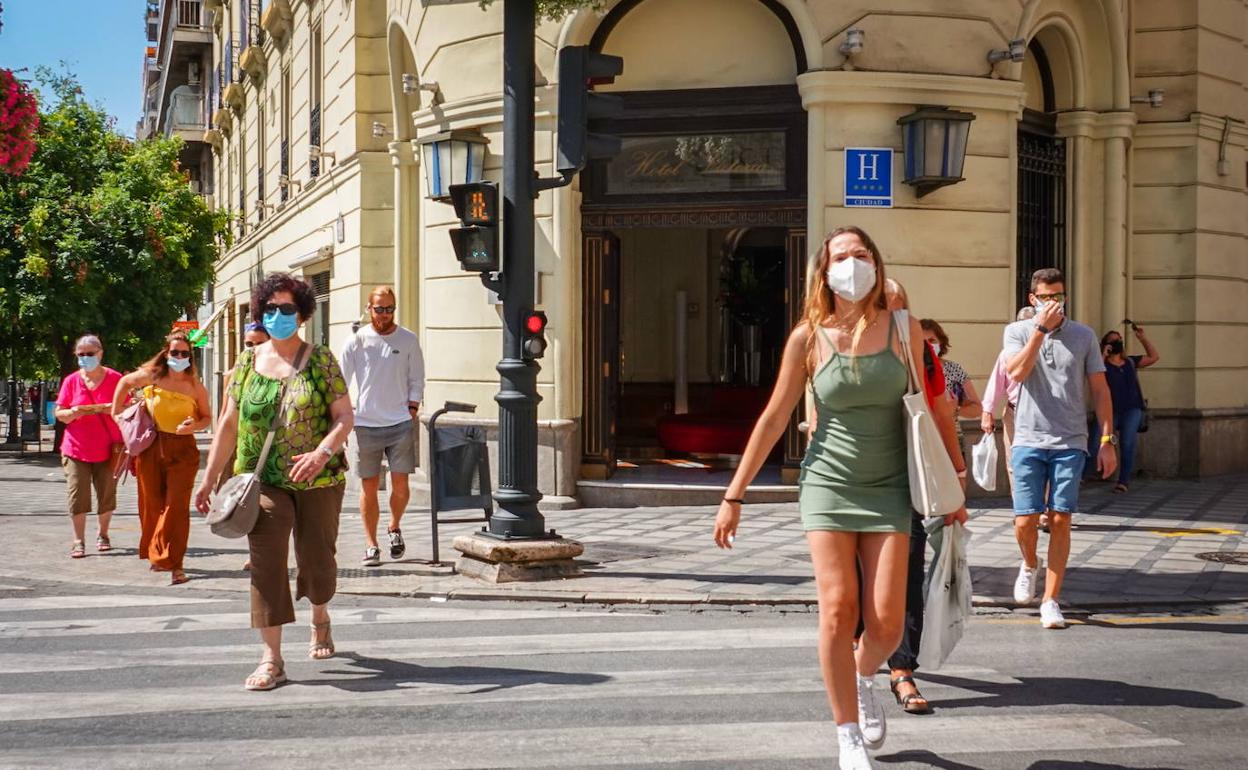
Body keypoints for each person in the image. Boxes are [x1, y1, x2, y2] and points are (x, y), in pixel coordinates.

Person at [714, 227, 968, 770]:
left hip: (891, 487)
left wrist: (954, 484)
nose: (853, 263)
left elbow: (934, 409)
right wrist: (734, 494)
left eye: (862, 254)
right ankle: (847, 732)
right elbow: (776, 415)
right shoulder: (808, 338)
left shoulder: (906, 330)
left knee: (887, 625)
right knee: (837, 609)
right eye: (841, 257)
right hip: (828, 484)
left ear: (877, 263)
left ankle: (862, 674)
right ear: (823, 272)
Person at [194, 272, 353, 692]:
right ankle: (272, 658)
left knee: (317, 559)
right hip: (261, 480)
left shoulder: (321, 360)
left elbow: (344, 417)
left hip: (318, 479)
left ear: (301, 315)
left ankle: (320, 616)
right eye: (270, 309)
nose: (278, 316)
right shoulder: (246, 362)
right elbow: (228, 423)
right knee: (266, 563)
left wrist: (322, 453)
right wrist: (209, 477)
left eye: (286, 309)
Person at [1004, 268, 1116, 630]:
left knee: (1060, 518)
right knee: (1024, 520)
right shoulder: (1016, 331)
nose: (1054, 303)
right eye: (1047, 297)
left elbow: (1099, 389)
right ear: (1032, 300)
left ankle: (1050, 600)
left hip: (1070, 441)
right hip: (1028, 439)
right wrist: (1039, 330)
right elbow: (1016, 373)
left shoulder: (1083, 335)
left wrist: (1106, 440)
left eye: (1060, 296)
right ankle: (1029, 563)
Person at [878, 282, 969, 717]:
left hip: (907, 480)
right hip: (852, 482)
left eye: (900, 310)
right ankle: (867, 642)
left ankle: (901, 667)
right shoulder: (839, 345)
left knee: (908, 572)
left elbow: (941, 415)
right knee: (860, 579)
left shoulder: (924, 356)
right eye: (885, 308)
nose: (894, 318)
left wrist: (956, 478)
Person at [112, 331, 212, 585]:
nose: (180, 357)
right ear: (166, 354)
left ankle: (174, 563)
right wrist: (117, 413)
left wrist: (194, 426)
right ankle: (157, 552)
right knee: (151, 504)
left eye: (185, 353)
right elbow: (124, 383)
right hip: (151, 446)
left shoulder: (195, 386)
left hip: (183, 451)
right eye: (175, 352)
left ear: (191, 356)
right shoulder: (152, 377)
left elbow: (207, 418)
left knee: (177, 506)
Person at [339, 286, 425, 566]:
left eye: (390, 309)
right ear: (369, 308)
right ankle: (371, 544)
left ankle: (394, 526)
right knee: (369, 487)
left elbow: (417, 377)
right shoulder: (357, 341)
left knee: (400, 485)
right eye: (380, 309)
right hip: (366, 424)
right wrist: (343, 413)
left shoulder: (408, 340)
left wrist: (412, 407)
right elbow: (341, 380)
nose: (385, 314)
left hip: (400, 422)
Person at [55, 334, 124, 558]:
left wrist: (109, 408)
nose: (85, 358)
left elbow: (129, 407)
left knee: (106, 493)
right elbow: (59, 413)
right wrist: (73, 413)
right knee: (77, 494)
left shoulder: (115, 379)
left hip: (108, 448)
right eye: (81, 354)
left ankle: (103, 534)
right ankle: (78, 540)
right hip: (75, 448)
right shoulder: (71, 381)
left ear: (100, 354)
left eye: (90, 354)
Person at [1090, 324, 1159, 493]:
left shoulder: (1130, 362)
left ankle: (1123, 481)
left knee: (1128, 443)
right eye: (1112, 341)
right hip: (1109, 410)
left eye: (1119, 340)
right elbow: (1092, 372)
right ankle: (1083, 475)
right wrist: (1103, 355)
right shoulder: (1102, 364)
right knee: (1095, 441)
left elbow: (1154, 357)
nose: (1117, 343)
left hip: (1132, 409)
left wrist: (1142, 338)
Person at [981, 307, 1036, 492]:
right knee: (1014, 462)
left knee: (1040, 461)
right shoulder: (1007, 354)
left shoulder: (1043, 351)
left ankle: (1042, 507)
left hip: (1040, 413)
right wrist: (987, 412)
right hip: (1014, 412)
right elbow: (996, 383)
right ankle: (1021, 509)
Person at [919, 318, 983, 434]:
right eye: (923, 342)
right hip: (922, 437)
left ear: (941, 342)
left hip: (951, 435)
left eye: (932, 340)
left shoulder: (953, 369)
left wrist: (955, 410)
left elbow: (977, 408)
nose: (928, 346)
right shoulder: (910, 370)